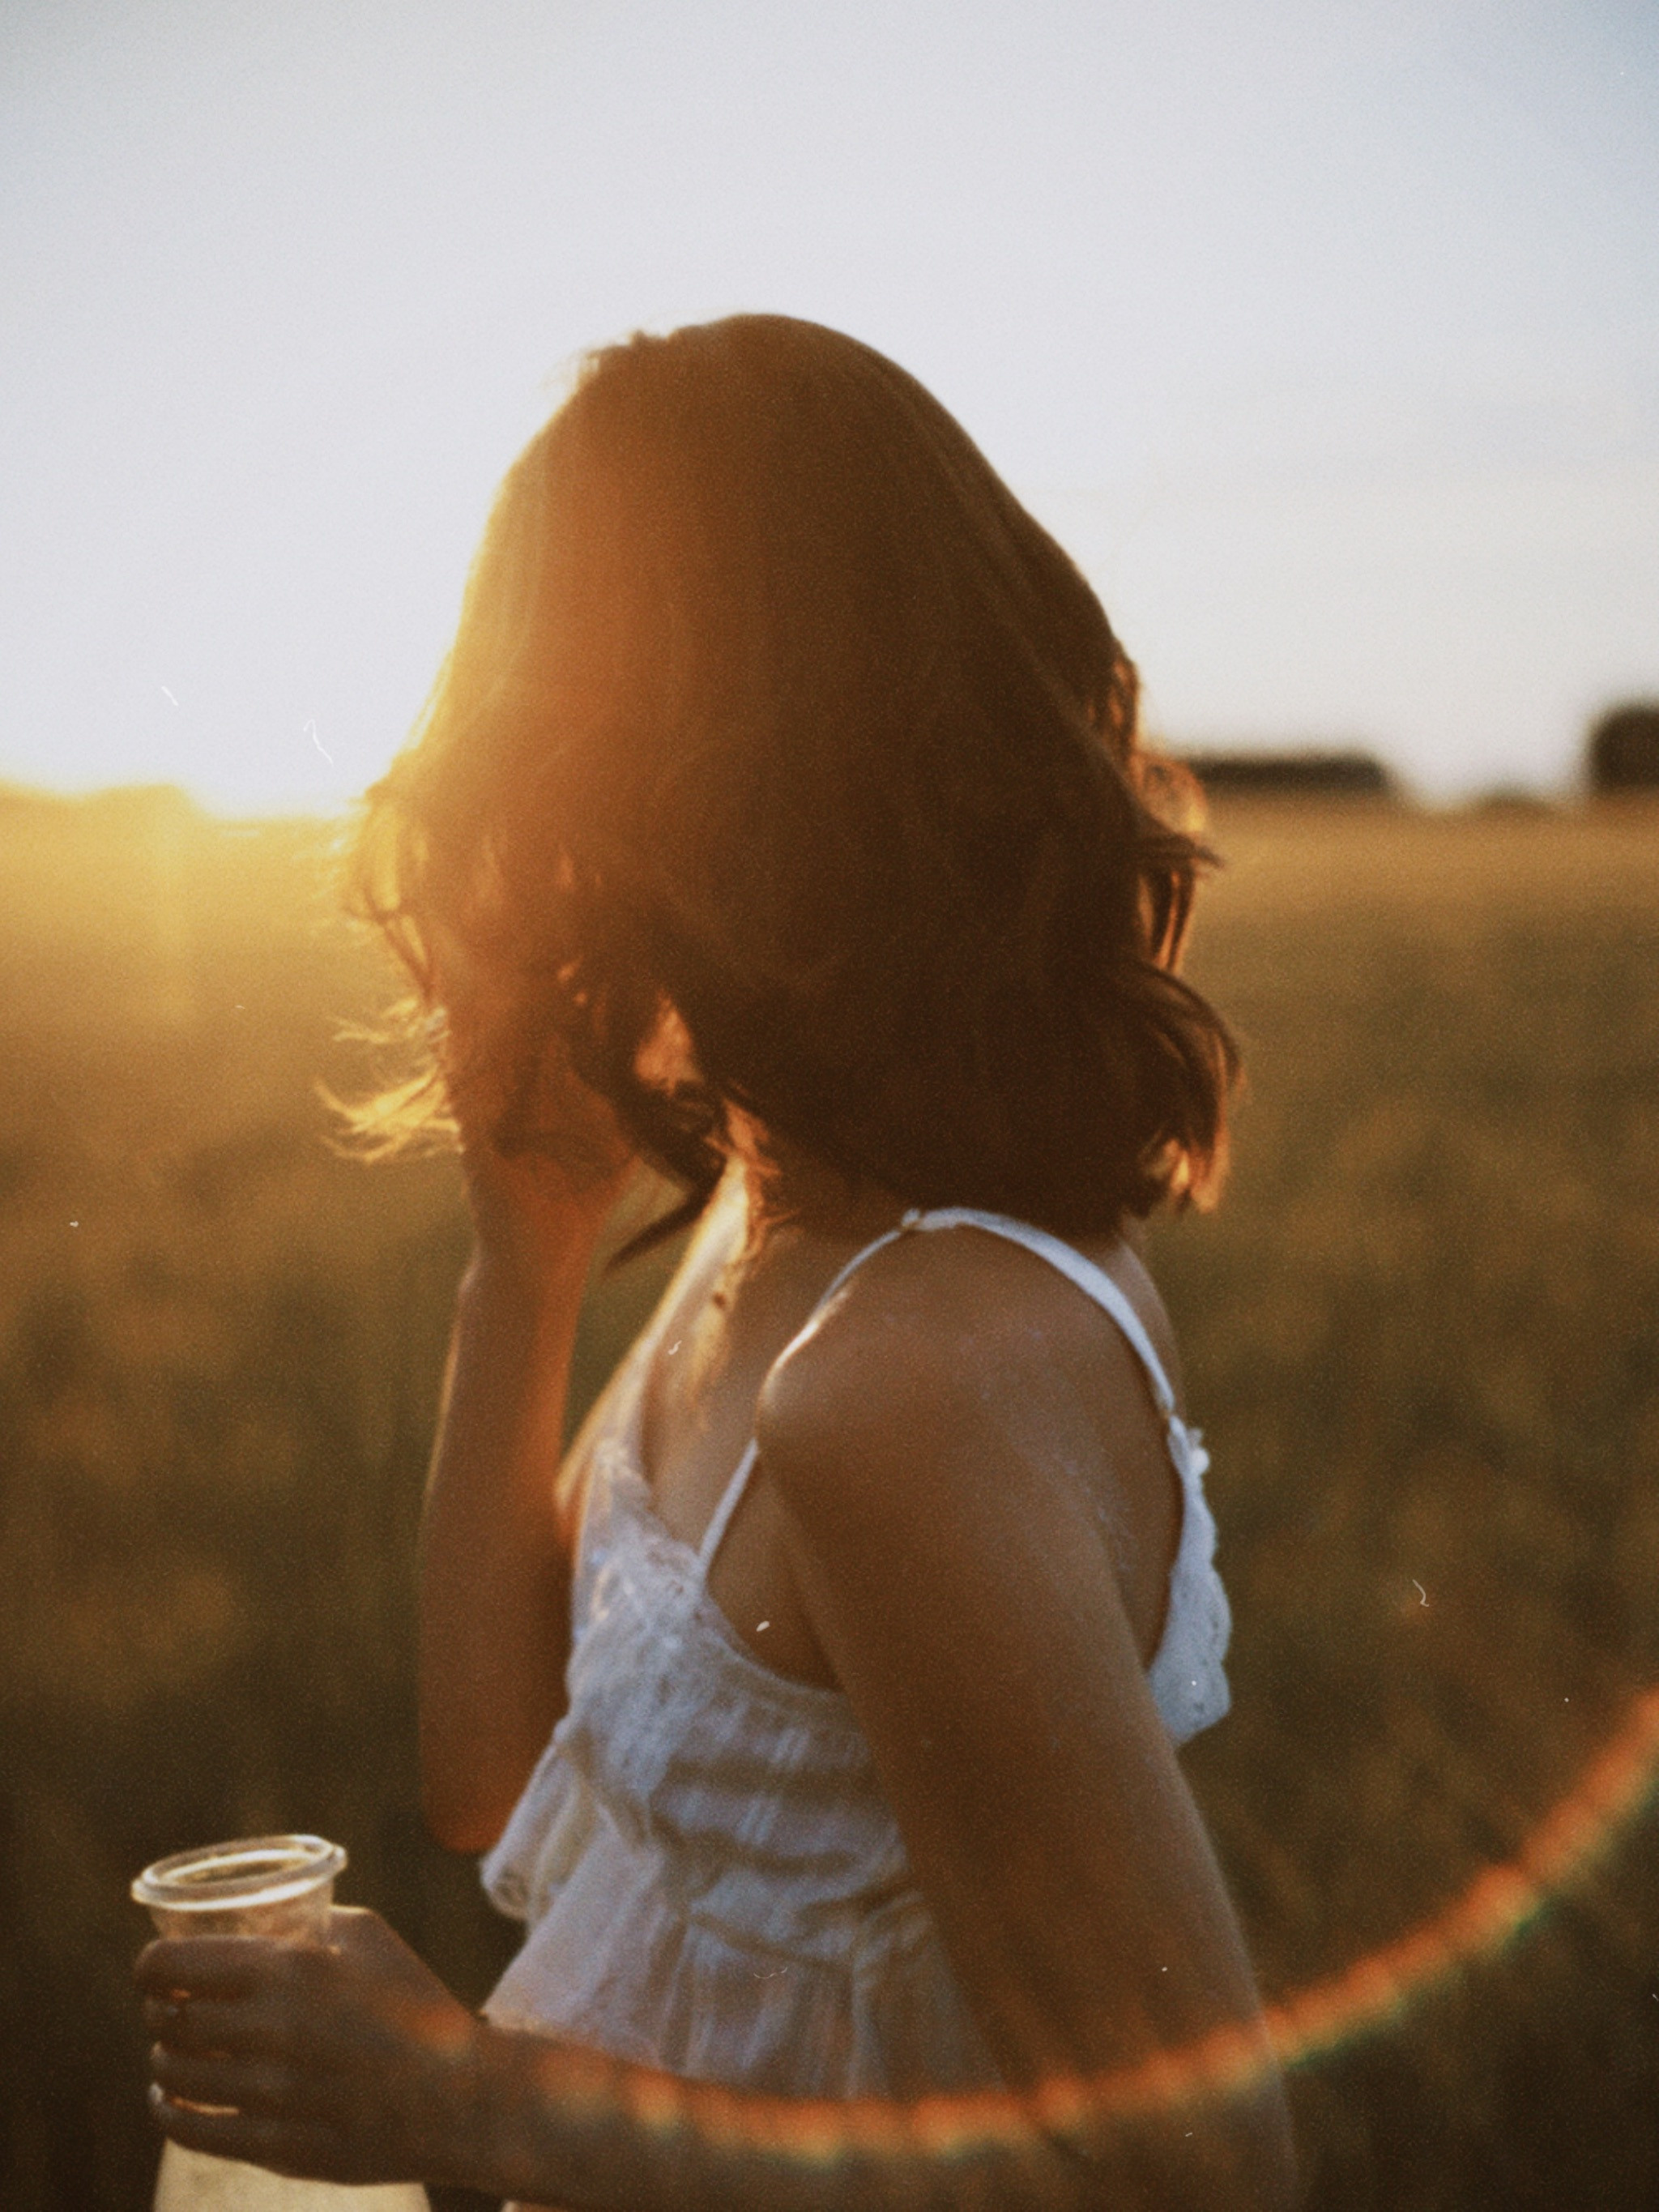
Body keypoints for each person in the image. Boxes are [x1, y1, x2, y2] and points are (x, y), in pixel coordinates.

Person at [137, 314, 1295, 2209]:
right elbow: (499, 1775)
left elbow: (1193, 2176)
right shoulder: (782, 1223)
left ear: (686, 790)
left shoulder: (903, 1381)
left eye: (533, 757)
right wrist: (520, 1246)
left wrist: (463, 2110)